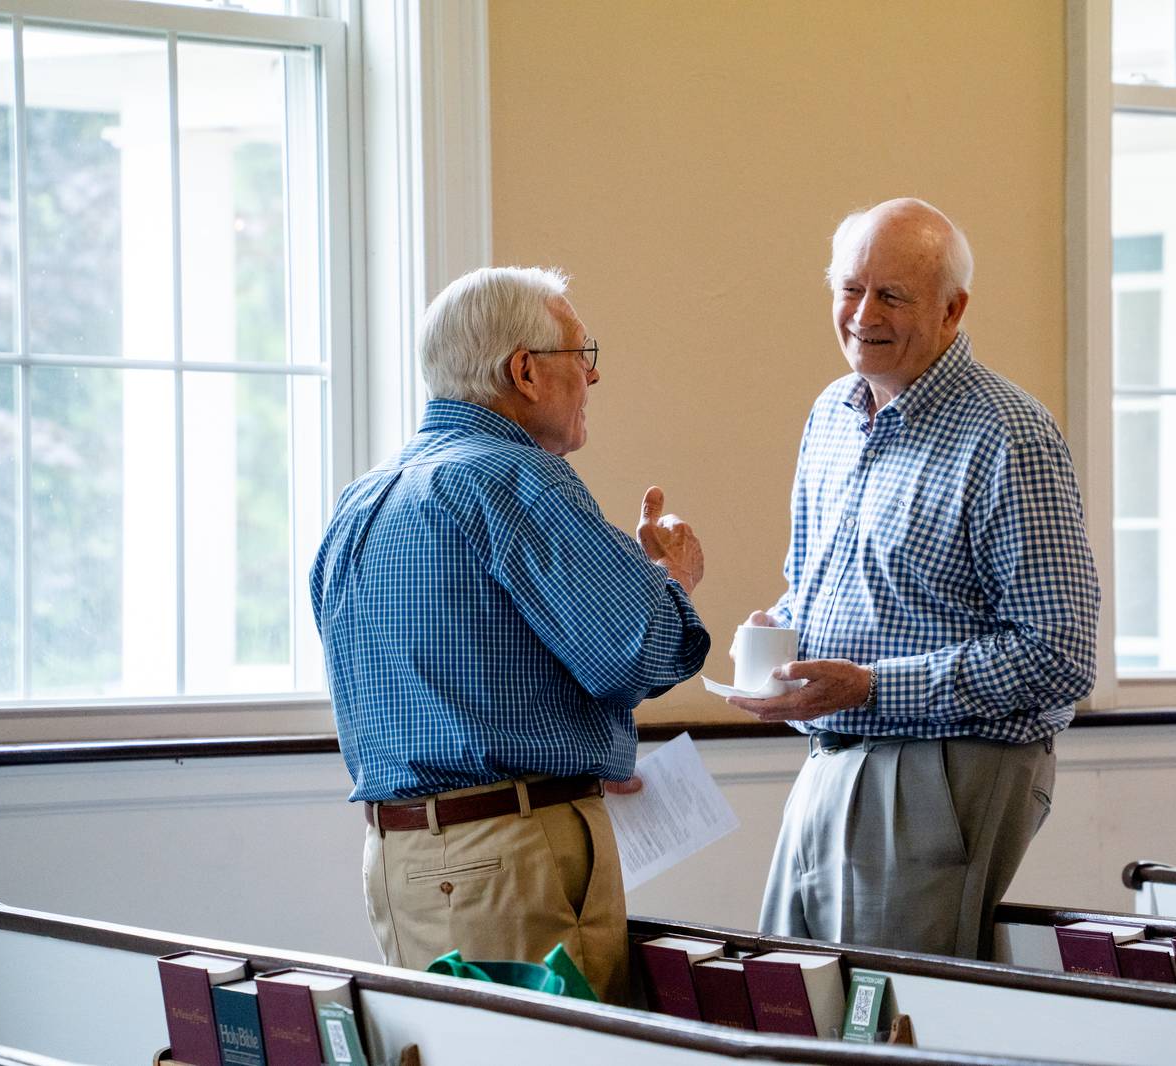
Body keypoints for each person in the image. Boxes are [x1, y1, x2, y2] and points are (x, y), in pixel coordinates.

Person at [311, 266, 709, 1002]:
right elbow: (635, 652)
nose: (593, 376)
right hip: (512, 856)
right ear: (524, 371)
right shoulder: (516, 478)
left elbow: (447, 683)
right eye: (582, 354)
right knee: (560, 1050)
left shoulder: (360, 502)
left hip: (398, 862)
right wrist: (670, 579)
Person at [728, 198, 1099, 959]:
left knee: (886, 1009)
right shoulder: (832, 414)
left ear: (952, 309)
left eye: (892, 295)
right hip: (829, 755)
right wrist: (781, 631)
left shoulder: (1009, 433)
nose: (863, 314)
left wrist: (870, 687)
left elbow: (1059, 654)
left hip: (940, 770)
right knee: (789, 996)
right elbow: (816, 583)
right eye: (849, 289)